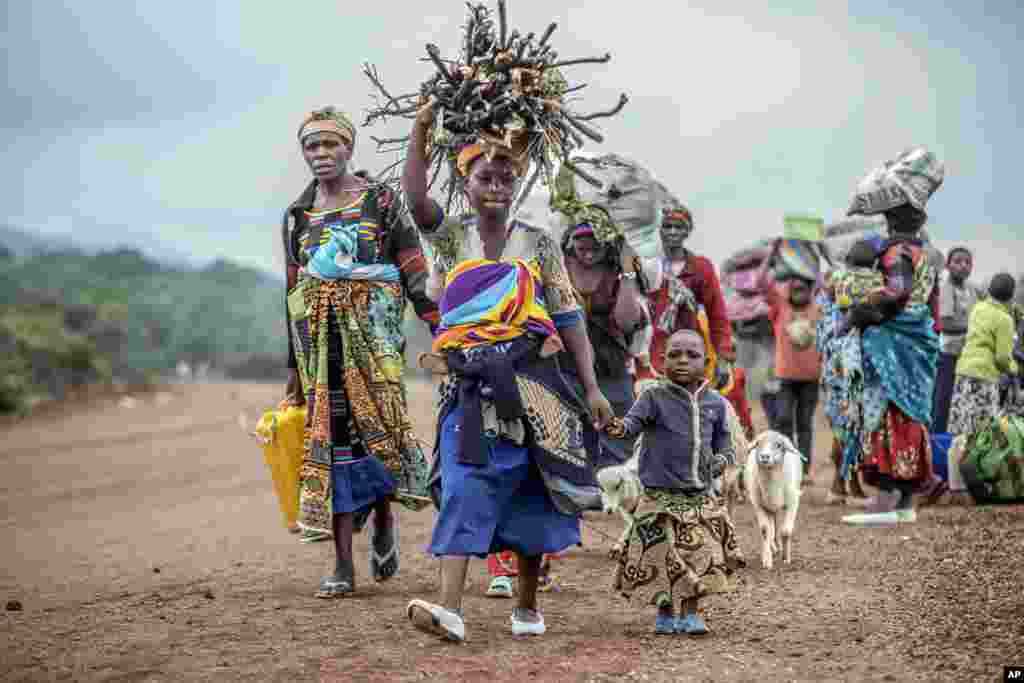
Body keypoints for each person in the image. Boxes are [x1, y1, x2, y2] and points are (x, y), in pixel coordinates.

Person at [402, 105, 613, 641]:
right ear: (464, 182)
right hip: (468, 388)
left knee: (532, 490)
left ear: (516, 184)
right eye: (484, 177)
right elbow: (415, 201)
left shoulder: (538, 242)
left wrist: (591, 389)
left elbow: (568, 319)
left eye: (506, 178)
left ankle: (526, 606)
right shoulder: (450, 238)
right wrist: (422, 129)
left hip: (534, 387)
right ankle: (450, 607)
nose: (496, 186)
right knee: (464, 483)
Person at [281, 107, 439, 597]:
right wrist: (294, 368)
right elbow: (292, 292)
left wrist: (442, 333)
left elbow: (414, 265)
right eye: (312, 146)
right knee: (333, 441)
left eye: (330, 145)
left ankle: (385, 517)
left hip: (375, 343)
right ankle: (343, 563)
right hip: (321, 346)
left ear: (349, 148)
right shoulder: (298, 216)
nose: (321, 154)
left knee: (378, 435)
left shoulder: (381, 201)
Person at [483, 223, 648, 600]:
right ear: (569, 243)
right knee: (553, 459)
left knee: (615, 462)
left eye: (594, 241)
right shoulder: (551, 265)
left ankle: (627, 538)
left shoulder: (618, 271)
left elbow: (625, 321)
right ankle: (539, 559)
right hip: (559, 374)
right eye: (580, 241)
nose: (587, 248)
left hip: (611, 379)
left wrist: (625, 271)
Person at [605, 330, 744, 635]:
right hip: (657, 498)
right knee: (662, 557)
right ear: (661, 360)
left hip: (698, 498)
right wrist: (613, 426)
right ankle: (665, 612)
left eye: (692, 355)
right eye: (675, 354)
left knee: (699, 555)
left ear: (707, 362)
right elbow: (630, 426)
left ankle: (692, 613)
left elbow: (725, 444)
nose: (683, 360)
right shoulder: (652, 397)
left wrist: (721, 461)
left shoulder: (716, 404)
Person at [838, 147, 945, 525]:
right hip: (919, 342)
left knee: (887, 412)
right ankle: (905, 501)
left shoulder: (898, 252)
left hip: (894, 341)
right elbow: (931, 305)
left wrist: (856, 312)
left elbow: (897, 292)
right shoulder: (931, 254)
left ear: (891, 219)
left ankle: (887, 498)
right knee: (910, 415)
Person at [755, 241, 822, 481]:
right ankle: (786, 465)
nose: (799, 290)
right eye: (794, 287)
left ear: (810, 288)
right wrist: (772, 255)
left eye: (804, 286)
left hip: (811, 378)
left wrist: (816, 252)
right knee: (782, 419)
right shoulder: (780, 307)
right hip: (785, 376)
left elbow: (826, 278)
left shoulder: (818, 308)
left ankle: (802, 471)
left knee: (804, 424)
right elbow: (761, 283)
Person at [948, 273, 1019, 438]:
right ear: (1011, 296)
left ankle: (954, 461)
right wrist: (1013, 369)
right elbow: (1002, 358)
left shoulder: (978, 308)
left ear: (989, 290)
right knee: (982, 431)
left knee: (961, 424)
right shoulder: (1005, 320)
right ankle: (974, 464)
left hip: (963, 372)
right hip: (984, 377)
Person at [932, 248, 985, 433]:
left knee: (960, 397)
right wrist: (974, 328)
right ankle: (937, 438)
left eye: (967, 262)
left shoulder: (971, 288)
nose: (963, 265)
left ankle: (954, 437)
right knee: (944, 397)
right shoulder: (947, 289)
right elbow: (945, 324)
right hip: (949, 352)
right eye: (958, 261)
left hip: (967, 353)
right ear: (948, 265)